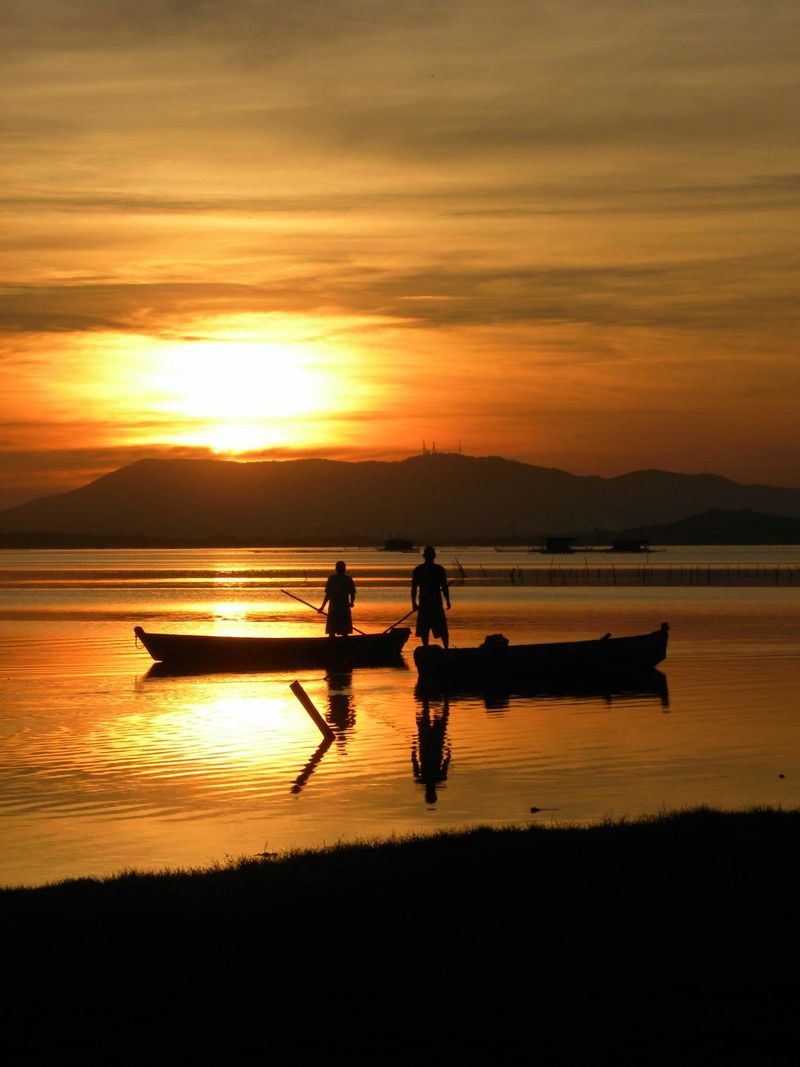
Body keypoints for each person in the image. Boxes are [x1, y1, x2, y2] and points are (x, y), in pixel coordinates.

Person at [411, 545, 451, 648]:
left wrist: (447, 600)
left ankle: (444, 648)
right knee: (427, 629)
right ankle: (431, 648)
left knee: (439, 629)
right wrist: (413, 603)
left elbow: (444, 587)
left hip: (433, 603)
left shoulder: (437, 569)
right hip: (427, 604)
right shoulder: (420, 570)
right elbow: (414, 588)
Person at [319, 560, 356, 637]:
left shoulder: (346, 579)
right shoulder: (333, 579)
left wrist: (352, 602)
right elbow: (328, 595)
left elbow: (352, 593)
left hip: (342, 608)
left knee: (342, 631)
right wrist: (322, 607)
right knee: (335, 631)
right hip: (335, 609)